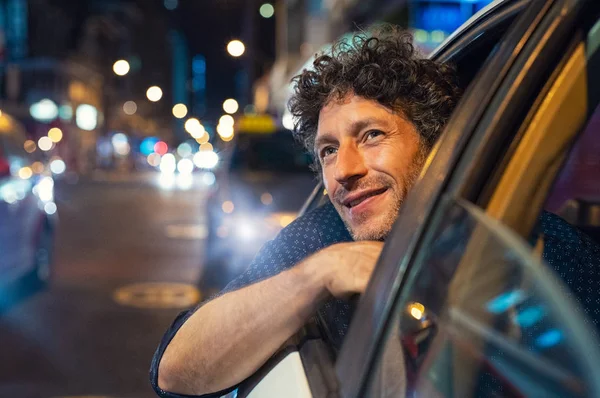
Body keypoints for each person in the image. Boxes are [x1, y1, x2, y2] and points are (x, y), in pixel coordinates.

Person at [150, 26, 600, 397]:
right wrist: (317, 275)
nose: (343, 171)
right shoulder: (327, 235)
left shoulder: (548, 249)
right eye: (328, 150)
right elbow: (175, 371)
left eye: (370, 136)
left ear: (433, 148)